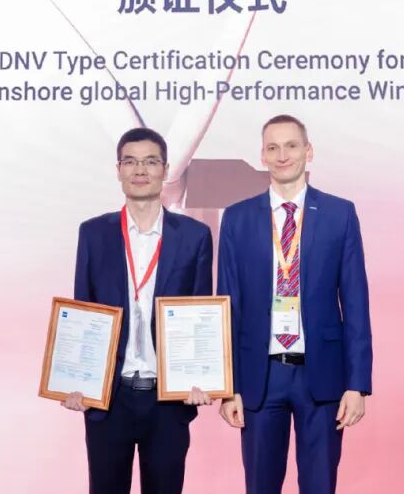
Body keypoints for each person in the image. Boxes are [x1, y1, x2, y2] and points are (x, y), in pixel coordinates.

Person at [217, 114, 373, 494]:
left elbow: (355, 303)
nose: (282, 155)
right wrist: (227, 387)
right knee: (260, 486)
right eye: (272, 147)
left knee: (319, 486)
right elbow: (228, 305)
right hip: (260, 375)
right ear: (262, 156)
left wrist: (357, 384)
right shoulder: (237, 218)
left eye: (291, 145)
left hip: (322, 374)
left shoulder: (340, 214)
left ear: (308, 151)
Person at [64, 127, 215, 494]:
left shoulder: (194, 235)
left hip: (167, 400)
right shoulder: (93, 233)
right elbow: (85, 309)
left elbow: (200, 312)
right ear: (118, 170)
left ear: (165, 170)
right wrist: (78, 381)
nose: (140, 170)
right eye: (130, 162)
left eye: (150, 162)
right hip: (109, 399)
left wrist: (202, 377)